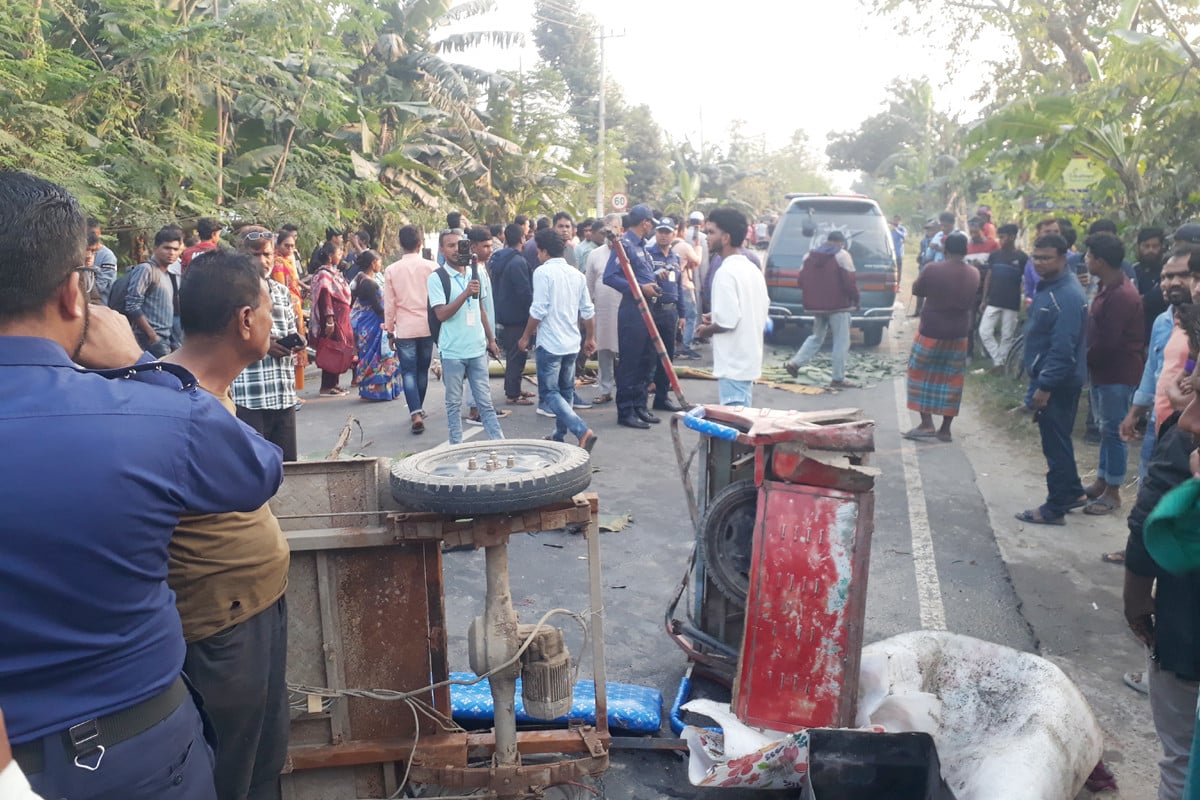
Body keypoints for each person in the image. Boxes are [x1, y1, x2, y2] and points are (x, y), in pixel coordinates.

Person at [0, 171, 283, 800]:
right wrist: (139, 364)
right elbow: (259, 469)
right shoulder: (151, 414)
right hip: (139, 747)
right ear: (76, 295)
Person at [165, 248, 292, 800]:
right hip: (222, 627)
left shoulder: (208, 391)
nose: (273, 323)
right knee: (230, 771)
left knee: (263, 759)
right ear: (244, 320)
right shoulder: (176, 396)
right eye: (268, 310)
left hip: (255, 606)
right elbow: (263, 470)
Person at [1016, 234, 1090, 525]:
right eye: (1036, 257)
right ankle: (1073, 491)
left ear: (1063, 258)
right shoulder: (1049, 287)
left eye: (1046, 257)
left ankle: (1054, 508)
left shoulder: (1067, 296)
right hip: (1048, 378)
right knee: (1058, 440)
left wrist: (1045, 386)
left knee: (1055, 445)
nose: (1039, 262)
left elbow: (1063, 349)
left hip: (1057, 383)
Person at [1082, 233, 1145, 515]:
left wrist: (1084, 358)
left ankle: (1113, 491)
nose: (1085, 260)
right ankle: (1102, 480)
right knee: (1107, 429)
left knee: (1115, 431)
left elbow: (1109, 341)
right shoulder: (1107, 286)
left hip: (1116, 372)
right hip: (1104, 371)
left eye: (1088, 255)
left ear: (1100, 261)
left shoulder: (1121, 294)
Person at [518, 228, 597, 450]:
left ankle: (581, 430)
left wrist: (525, 336)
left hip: (551, 343)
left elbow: (538, 310)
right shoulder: (576, 274)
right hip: (572, 343)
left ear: (542, 251)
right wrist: (590, 337)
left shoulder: (542, 273)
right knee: (565, 391)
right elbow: (588, 311)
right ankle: (559, 436)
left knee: (550, 393)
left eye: (538, 251)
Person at [231, 227, 305, 461]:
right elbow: (225, 340)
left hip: (283, 393)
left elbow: (288, 328)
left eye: (267, 254)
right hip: (250, 396)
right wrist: (264, 345)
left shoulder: (281, 291)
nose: (262, 261)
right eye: (254, 254)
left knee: (287, 468)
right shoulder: (231, 295)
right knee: (255, 468)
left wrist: (297, 341)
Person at [428, 227, 504, 444]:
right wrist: (465, 293)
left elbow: (480, 308)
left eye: (459, 245)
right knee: (453, 404)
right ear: (442, 249)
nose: (455, 249)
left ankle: (498, 443)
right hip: (452, 351)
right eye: (450, 245)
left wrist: (491, 339)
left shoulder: (476, 271)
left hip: (477, 348)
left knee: (485, 402)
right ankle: (456, 446)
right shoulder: (437, 278)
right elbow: (441, 314)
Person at [903, 232, 980, 442]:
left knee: (919, 374)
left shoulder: (933, 269)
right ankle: (945, 429)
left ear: (945, 250)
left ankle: (926, 423)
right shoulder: (974, 273)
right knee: (952, 379)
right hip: (959, 333)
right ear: (966, 251)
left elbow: (918, 290)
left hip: (931, 330)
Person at [695, 207, 769, 407]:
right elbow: (756, 308)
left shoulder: (726, 271)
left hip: (734, 362)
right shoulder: (751, 269)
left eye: (711, 232)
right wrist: (716, 315)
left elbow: (728, 320)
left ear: (726, 237)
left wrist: (705, 330)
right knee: (741, 418)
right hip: (748, 358)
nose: (707, 237)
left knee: (733, 424)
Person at [604, 204, 662, 430]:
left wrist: (653, 283)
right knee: (631, 361)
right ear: (645, 222)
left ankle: (639, 405)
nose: (651, 228)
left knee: (646, 360)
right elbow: (610, 277)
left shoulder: (643, 247)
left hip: (647, 309)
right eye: (650, 223)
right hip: (632, 311)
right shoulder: (624, 245)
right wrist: (639, 288)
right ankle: (626, 410)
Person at [784, 231, 860, 389]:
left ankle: (795, 363)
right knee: (841, 341)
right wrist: (856, 299)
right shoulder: (842, 255)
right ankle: (837, 378)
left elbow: (800, 281)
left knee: (816, 337)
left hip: (816, 307)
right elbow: (849, 282)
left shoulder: (808, 256)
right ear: (840, 242)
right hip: (839, 306)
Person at [384, 225, 439, 433]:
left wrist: (389, 330)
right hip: (427, 326)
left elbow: (389, 305)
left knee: (408, 371)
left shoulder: (391, 270)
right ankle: (418, 408)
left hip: (405, 328)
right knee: (422, 370)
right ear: (420, 244)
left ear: (400, 244)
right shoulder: (432, 267)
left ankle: (415, 411)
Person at [490, 222, 536, 407]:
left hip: (504, 312)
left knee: (514, 354)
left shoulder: (498, 258)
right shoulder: (518, 261)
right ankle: (513, 394)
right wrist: (532, 314)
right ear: (522, 238)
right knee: (517, 354)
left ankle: (514, 388)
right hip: (518, 315)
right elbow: (524, 292)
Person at [125, 225, 184, 357]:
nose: (172, 253)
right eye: (167, 248)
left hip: (165, 339)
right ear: (155, 248)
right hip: (147, 340)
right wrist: (152, 336)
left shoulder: (170, 276)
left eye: (175, 249)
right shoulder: (146, 269)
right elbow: (132, 305)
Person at [350, 250, 401, 401]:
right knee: (378, 357)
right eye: (379, 261)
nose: (380, 264)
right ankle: (378, 391)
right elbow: (378, 308)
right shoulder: (370, 284)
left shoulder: (359, 279)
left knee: (368, 356)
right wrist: (392, 319)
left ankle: (370, 390)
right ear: (373, 263)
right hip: (374, 324)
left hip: (365, 324)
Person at [646, 217, 684, 412]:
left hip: (670, 313)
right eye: (660, 231)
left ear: (673, 234)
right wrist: (654, 275)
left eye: (667, 232)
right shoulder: (648, 254)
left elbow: (679, 287)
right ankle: (640, 401)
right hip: (652, 310)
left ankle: (662, 397)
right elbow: (641, 279)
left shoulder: (676, 258)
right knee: (647, 356)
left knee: (667, 357)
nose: (663, 235)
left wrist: (682, 314)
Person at [585, 214, 623, 405]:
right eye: (607, 228)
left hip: (624, 311)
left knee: (625, 351)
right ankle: (605, 389)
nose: (610, 231)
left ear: (620, 230)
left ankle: (625, 388)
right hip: (603, 310)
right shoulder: (595, 254)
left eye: (614, 227)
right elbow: (590, 284)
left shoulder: (626, 252)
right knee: (604, 351)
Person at [978, 223, 1027, 371]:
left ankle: (1001, 364)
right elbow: (989, 277)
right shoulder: (995, 256)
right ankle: (999, 361)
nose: (1000, 240)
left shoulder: (1022, 257)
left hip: (1012, 302)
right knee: (984, 331)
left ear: (1012, 237)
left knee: (1007, 335)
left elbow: (1028, 279)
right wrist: (984, 299)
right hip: (993, 300)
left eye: (1003, 237)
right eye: (999, 237)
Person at [310, 240, 354, 395]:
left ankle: (334, 383)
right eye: (339, 253)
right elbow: (325, 297)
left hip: (341, 317)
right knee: (331, 349)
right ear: (330, 256)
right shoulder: (324, 274)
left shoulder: (334, 272)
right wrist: (329, 319)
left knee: (339, 349)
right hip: (333, 318)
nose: (341, 255)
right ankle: (326, 386)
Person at [271, 227, 308, 391]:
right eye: (287, 245)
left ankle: (295, 390)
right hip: (288, 306)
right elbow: (281, 287)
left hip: (296, 304)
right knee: (290, 345)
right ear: (277, 245)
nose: (291, 249)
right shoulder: (278, 262)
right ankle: (291, 389)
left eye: (293, 246)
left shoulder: (287, 260)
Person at [673, 217, 702, 359]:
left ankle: (675, 345)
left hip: (671, 286)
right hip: (684, 285)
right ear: (682, 231)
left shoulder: (666, 244)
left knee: (675, 316)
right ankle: (686, 346)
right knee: (691, 316)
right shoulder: (684, 246)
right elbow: (697, 260)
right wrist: (698, 246)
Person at [1134, 227, 1169, 345]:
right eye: (1146, 246)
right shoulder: (1134, 271)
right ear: (1139, 247)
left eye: (1155, 246)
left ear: (1161, 247)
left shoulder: (1168, 271)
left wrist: (1144, 299)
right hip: (1138, 336)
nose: (1151, 250)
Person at [88, 218, 119, 304]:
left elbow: (99, 287)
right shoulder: (80, 251)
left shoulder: (108, 257)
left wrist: (90, 268)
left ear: (98, 233)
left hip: (101, 306)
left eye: (92, 233)